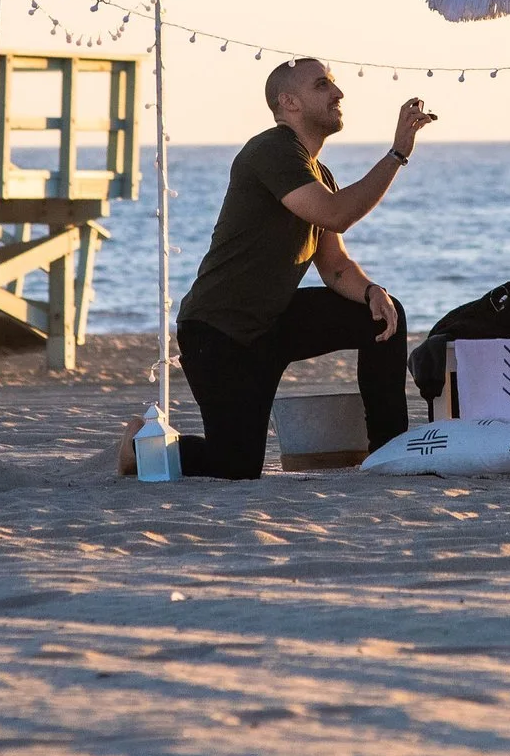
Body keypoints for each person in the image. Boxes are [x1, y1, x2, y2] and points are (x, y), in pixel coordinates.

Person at [125, 58, 436, 480]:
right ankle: (137, 446)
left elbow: (337, 266)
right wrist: (398, 152)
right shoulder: (272, 149)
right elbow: (335, 213)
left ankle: (389, 452)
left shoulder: (317, 171)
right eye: (323, 85)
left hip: (272, 323)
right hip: (218, 332)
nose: (338, 94)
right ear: (288, 102)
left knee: (382, 314)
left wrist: (370, 291)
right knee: (235, 464)